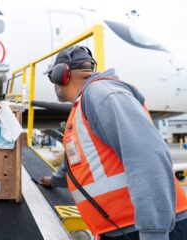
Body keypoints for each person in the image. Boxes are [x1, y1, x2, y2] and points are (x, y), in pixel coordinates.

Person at [41, 45, 187, 240]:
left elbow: (147, 158)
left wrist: (154, 232)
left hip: (147, 230)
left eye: (52, 78)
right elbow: (76, 158)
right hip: (122, 228)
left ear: (61, 75)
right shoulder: (83, 104)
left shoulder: (102, 95)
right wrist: (54, 181)